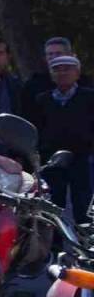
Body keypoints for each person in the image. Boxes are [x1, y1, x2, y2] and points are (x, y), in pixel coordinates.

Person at [34, 55, 94, 214]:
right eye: (56, 70)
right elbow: (37, 128)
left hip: (82, 157)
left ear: (77, 73)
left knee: (84, 203)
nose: (62, 73)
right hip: (52, 159)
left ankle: (85, 238)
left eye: (67, 69)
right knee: (52, 204)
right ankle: (55, 239)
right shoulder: (42, 100)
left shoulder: (89, 97)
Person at [22, 37, 92, 124]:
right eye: (50, 54)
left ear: (69, 55)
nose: (53, 57)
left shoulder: (87, 86)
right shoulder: (33, 87)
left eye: (58, 53)